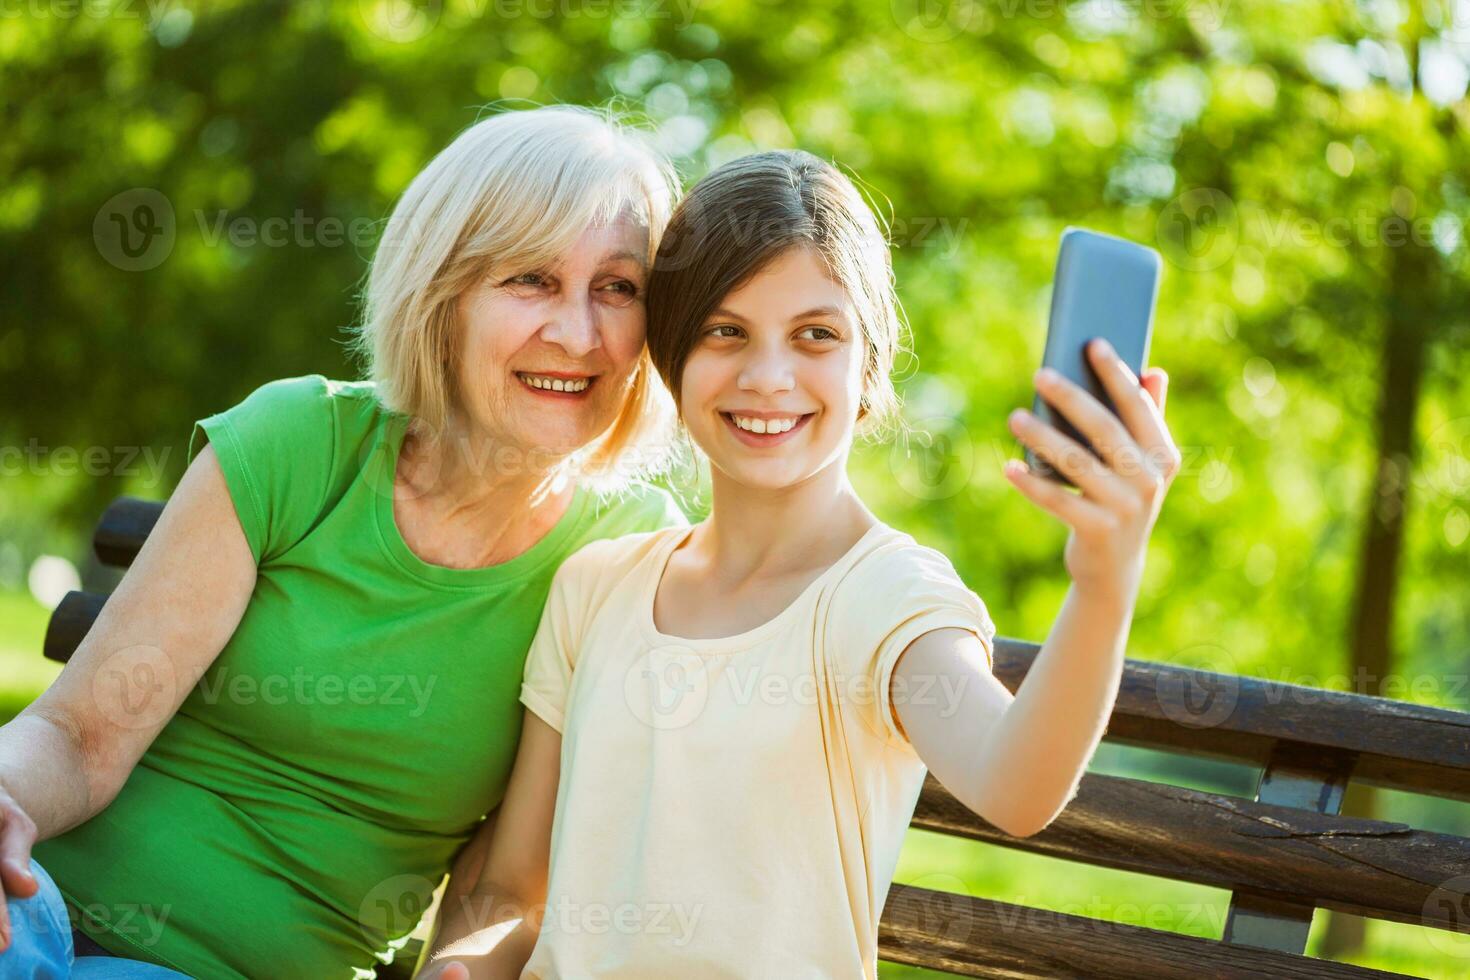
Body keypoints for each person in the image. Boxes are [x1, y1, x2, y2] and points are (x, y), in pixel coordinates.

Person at [421, 150, 1181, 978]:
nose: (768, 377)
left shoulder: (886, 598)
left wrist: (1106, 580)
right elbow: (510, 891)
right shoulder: (596, 587)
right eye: (726, 332)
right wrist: (464, 964)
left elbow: (1017, 787)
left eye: (815, 335)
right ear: (671, 358)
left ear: (869, 364)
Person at [0, 105, 687, 979]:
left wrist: (467, 968)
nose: (579, 333)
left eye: (618, 288)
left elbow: (503, 885)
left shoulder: (627, 556)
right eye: (531, 280)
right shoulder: (304, 441)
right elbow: (78, 735)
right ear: (443, 296)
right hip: (37, 915)